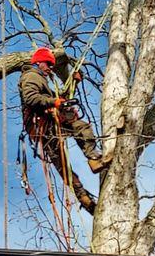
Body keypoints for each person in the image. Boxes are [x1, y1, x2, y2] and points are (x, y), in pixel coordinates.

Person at [18, 47, 112, 213]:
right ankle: (93, 159)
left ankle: (84, 196)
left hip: (45, 126)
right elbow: (31, 98)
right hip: (43, 123)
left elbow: (59, 97)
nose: (49, 68)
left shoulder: (40, 79)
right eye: (47, 64)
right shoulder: (31, 76)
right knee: (80, 127)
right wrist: (54, 103)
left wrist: (73, 82)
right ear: (38, 62)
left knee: (62, 165)